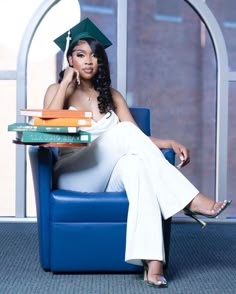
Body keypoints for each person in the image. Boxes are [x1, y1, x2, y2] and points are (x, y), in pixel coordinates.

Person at [43, 18, 231, 288]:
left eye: (94, 56)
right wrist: (64, 84)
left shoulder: (112, 96)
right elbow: (48, 130)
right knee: (124, 136)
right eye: (80, 55)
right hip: (74, 175)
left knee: (136, 166)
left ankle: (153, 263)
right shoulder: (57, 91)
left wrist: (168, 142)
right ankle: (191, 200)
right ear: (70, 59)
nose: (88, 61)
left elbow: (136, 137)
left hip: (107, 176)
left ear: (101, 63)